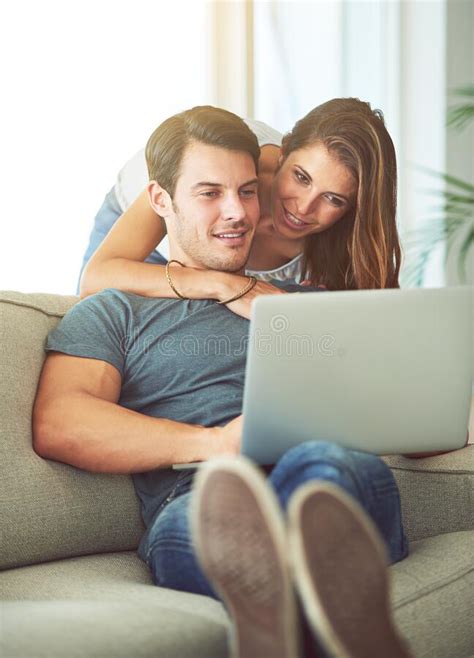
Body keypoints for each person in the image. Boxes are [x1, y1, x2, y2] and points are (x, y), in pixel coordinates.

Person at [34, 106, 410, 658]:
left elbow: (408, 409)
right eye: (210, 193)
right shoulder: (113, 311)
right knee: (206, 522)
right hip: (201, 492)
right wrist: (213, 444)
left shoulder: (317, 304)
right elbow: (61, 421)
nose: (237, 213)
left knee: (335, 471)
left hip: (313, 465)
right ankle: (318, 613)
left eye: (246, 193)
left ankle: (280, 616)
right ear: (162, 201)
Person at [78, 99, 401, 316]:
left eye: (334, 199)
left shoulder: (345, 240)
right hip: (161, 235)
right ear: (285, 151)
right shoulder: (226, 167)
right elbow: (97, 278)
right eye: (301, 177)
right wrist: (225, 284)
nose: (303, 208)